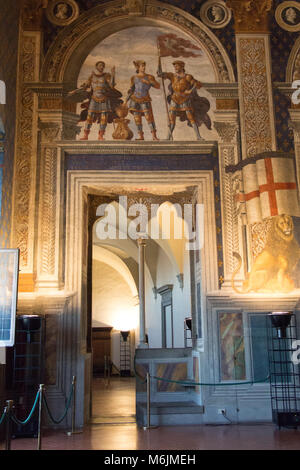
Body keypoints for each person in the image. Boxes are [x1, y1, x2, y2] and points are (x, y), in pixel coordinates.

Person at [158, 60, 210, 140]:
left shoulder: (187, 77)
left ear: (182, 67)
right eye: (174, 66)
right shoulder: (172, 76)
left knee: (191, 118)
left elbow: (197, 84)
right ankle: (168, 137)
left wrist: (190, 91)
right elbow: (160, 74)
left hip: (185, 99)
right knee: (172, 119)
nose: (175, 68)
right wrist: (159, 65)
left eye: (177, 66)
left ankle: (198, 137)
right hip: (174, 99)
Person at [79, 61, 119, 141]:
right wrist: (82, 88)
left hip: (104, 98)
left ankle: (100, 136)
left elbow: (111, 85)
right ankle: (85, 135)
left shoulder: (106, 76)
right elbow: (86, 85)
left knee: (104, 118)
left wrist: (113, 74)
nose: (102, 67)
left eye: (103, 66)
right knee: (89, 116)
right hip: (94, 99)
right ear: (96, 66)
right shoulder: (92, 76)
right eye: (100, 65)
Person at [127, 60, 160, 140]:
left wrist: (148, 82)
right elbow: (131, 89)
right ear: (138, 67)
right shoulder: (133, 78)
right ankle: (141, 136)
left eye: (144, 66)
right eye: (142, 66)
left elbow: (157, 86)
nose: (144, 67)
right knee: (137, 118)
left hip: (145, 98)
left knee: (149, 117)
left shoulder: (149, 77)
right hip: (134, 99)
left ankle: (154, 136)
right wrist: (126, 100)